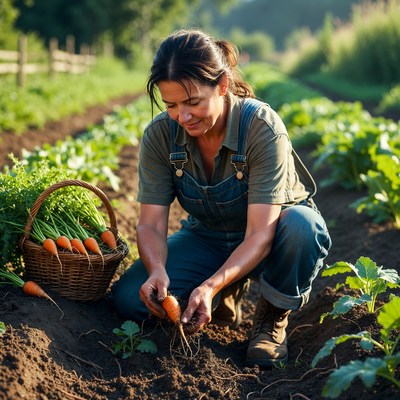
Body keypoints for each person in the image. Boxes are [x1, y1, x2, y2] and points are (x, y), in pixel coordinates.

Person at [111, 28, 332, 368]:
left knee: (304, 227)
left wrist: (210, 285)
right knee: (130, 299)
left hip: (273, 239)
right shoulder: (160, 135)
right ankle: (224, 294)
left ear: (223, 85)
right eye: (171, 105)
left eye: (193, 102)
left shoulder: (260, 127)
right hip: (210, 237)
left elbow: (260, 233)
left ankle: (271, 320)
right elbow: (152, 223)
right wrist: (156, 270)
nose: (182, 116)